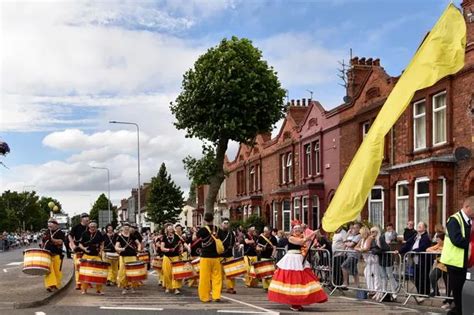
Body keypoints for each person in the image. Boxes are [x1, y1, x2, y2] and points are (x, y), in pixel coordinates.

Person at [268, 223, 327, 311]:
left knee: (303, 279)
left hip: (299, 258)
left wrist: (316, 235)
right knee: (292, 279)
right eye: (295, 229)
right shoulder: (291, 238)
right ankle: (294, 302)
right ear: (292, 230)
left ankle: (298, 302)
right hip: (291, 259)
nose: (297, 230)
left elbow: (309, 242)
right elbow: (301, 241)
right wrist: (312, 233)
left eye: (299, 229)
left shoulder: (302, 236)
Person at [440, 196, 473, 315]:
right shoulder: (454, 220)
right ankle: (458, 311)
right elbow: (456, 240)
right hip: (454, 262)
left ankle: (456, 311)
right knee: (458, 291)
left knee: (462, 291)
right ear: (467, 207)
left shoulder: (469, 220)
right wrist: (470, 244)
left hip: (463, 262)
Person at [400, 221, 431, 298]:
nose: (419, 226)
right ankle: (420, 293)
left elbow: (423, 247)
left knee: (423, 277)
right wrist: (399, 251)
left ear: (425, 228)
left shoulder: (426, 237)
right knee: (416, 277)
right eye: (418, 225)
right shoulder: (415, 236)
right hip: (415, 259)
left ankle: (424, 294)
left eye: (421, 225)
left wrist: (412, 251)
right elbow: (408, 244)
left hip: (423, 260)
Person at [197, 212, 222, 303]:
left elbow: (194, 239)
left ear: (204, 220)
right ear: (213, 219)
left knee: (204, 278)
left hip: (205, 257)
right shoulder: (218, 229)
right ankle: (216, 296)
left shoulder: (202, 230)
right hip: (216, 257)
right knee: (217, 277)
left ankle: (205, 297)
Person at [78, 221, 105, 295]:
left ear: (96, 227)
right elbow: (80, 244)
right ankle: (84, 289)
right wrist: (84, 249)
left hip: (96, 256)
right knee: (85, 273)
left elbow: (102, 243)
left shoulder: (99, 233)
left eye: (94, 226)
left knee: (99, 273)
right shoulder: (84, 233)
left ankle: (99, 290)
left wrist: (101, 251)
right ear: (89, 227)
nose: (93, 228)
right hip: (86, 255)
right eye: (91, 226)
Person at [115, 222, 142, 295]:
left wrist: (139, 251)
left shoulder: (132, 236)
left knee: (133, 272)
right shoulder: (119, 237)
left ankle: (133, 287)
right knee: (123, 273)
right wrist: (121, 249)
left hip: (132, 255)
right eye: (125, 228)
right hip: (123, 256)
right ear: (122, 228)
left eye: (127, 228)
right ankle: (124, 287)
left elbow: (139, 244)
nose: (126, 229)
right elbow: (116, 247)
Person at [356, 226, 381, 300]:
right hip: (368, 260)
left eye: (360, 233)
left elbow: (366, 248)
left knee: (376, 274)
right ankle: (371, 289)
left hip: (373, 259)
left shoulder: (369, 238)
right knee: (366, 273)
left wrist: (361, 249)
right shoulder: (362, 239)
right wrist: (360, 249)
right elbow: (356, 247)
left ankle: (377, 290)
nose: (360, 234)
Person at [374, 226, 398, 301]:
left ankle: (394, 291)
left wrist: (377, 251)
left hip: (387, 259)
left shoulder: (380, 238)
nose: (372, 233)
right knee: (383, 276)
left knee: (389, 275)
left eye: (373, 232)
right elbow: (374, 248)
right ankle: (384, 291)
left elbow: (386, 248)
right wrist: (375, 250)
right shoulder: (375, 239)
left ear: (377, 232)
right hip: (381, 259)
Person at [41, 219, 65, 292]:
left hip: (57, 254)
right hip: (47, 254)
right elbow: (43, 241)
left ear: (56, 225)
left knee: (57, 271)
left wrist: (52, 239)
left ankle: (56, 285)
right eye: (49, 223)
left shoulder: (60, 232)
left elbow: (61, 242)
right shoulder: (47, 232)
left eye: (51, 223)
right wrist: (42, 246)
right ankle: (50, 285)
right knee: (48, 271)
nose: (49, 225)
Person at [68, 213, 90, 290]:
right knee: (78, 267)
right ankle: (78, 283)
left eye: (87, 217)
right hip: (78, 250)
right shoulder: (76, 227)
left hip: (88, 250)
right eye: (85, 217)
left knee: (88, 267)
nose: (87, 219)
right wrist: (73, 245)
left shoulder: (90, 227)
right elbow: (70, 236)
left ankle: (87, 282)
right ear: (81, 219)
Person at [161, 224, 183, 295]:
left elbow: (181, 245)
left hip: (176, 257)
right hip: (167, 257)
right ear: (167, 230)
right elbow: (162, 248)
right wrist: (169, 250)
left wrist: (181, 249)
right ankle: (168, 287)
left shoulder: (176, 237)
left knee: (176, 273)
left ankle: (176, 288)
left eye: (171, 228)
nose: (170, 230)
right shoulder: (164, 238)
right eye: (169, 228)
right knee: (167, 273)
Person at [257, 226, 278, 291]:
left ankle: (270, 286)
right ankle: (266, 287)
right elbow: (257, 247)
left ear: (269, 231)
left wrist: (273, 255)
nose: (265, 233)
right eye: (264, 231)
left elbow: (275, 248)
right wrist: (261, 249)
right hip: (263, 256)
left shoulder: (273, 238)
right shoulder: (261, 237)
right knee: (264, 272)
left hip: (270, 257)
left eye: (266, 231)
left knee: (270, 273)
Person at [218, 218, 236, 294]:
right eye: (224, 223)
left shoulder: (231, 233)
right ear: (221, 224)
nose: (226, 225)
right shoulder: (218, 233)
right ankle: (219, 287)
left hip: (229, 255)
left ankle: (230, 287)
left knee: (231, 273)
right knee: (219, 273)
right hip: (220, 256)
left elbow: (233, 242)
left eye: (227, 223)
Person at [341, 222, 361, 288]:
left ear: (359, 229)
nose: (354, 229)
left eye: (356, 228)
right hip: (349, 254)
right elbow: (344, 242)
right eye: (353, 228)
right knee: (354, 271)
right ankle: (357, 285)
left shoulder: (359, 236)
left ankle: (345, 283)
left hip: (353, 255)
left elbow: (351, 245)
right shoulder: (351, 236)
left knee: (344, 266)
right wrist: (347, 234)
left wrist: (347, 243)